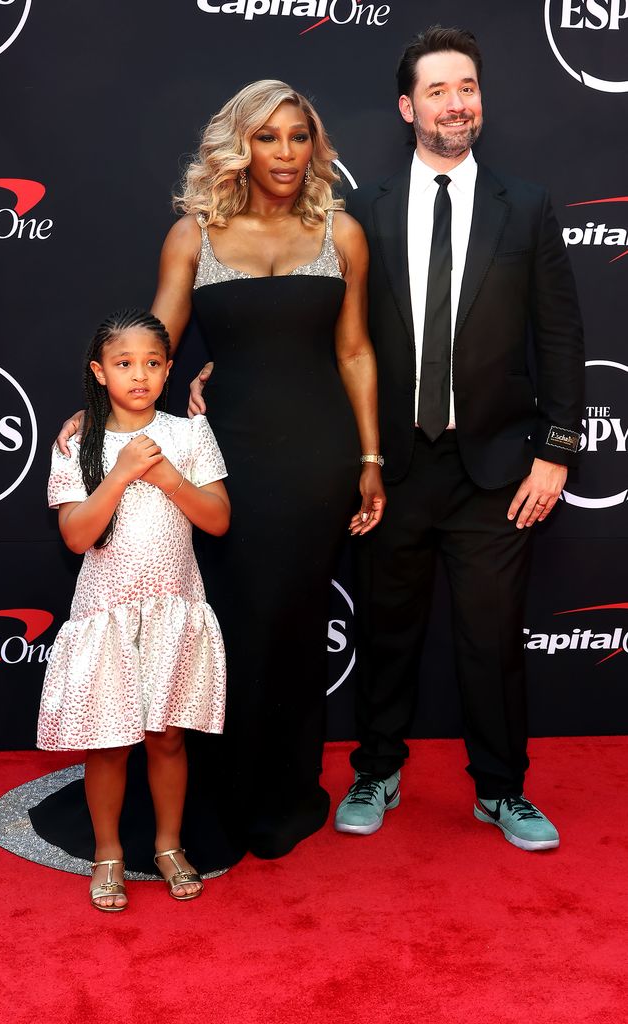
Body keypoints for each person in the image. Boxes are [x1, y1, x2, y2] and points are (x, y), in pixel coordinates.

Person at [47, 80, 385, 865]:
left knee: (296, 626)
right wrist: (95, 411)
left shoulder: (345, 233)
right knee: (228, 622)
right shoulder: (192, 236)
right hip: (224, 459)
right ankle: (216, 796)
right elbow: (154, 339)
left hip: (316, 457)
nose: (286, 154)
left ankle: (284, 794)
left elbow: (355, 351)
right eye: (268, 138)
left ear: (315, 146)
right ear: (239, 146)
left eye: (299, 137)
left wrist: (369, 458)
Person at [333, 26, 585, 851]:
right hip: (392, 465)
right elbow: (325, 334)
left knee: (491, 638)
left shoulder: (529, 204)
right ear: (408, 107)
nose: (456, 104)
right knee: (384, 628)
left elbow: (560, 338)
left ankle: (502, 791)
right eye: (438, 90)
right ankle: (375, 769)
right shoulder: (360, 211)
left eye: (467, 87)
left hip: (495, 468)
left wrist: (554, 452)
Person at [38, 308, 230, 910]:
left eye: (152, 364)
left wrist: (170, 479)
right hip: (108, 611)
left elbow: (218, 520)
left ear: (170, 369)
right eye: (124, 364)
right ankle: (109, 853)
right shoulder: (77, 442)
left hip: (174, 606)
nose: (139, 376)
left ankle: (168, 846)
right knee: (108, 742)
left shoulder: (190, 433)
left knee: (167, 737)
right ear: (99, 372)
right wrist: (120, 474)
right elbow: (76, 536)